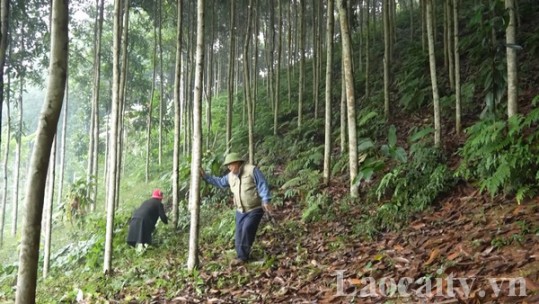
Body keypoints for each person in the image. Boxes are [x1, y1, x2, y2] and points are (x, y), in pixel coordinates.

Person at [201, 152, 274, 265]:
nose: (229, 167)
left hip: (255, 208)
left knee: (247, 228)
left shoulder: (251, 170)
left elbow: (262, 184)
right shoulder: (230, 176)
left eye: (231, 164)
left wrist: (266, 200)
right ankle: (241, 256)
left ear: (238, 163)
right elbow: (220, 182)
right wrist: (205, 177)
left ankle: (243, 258)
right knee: (239, 234)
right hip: (240, 210)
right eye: (228, 166)